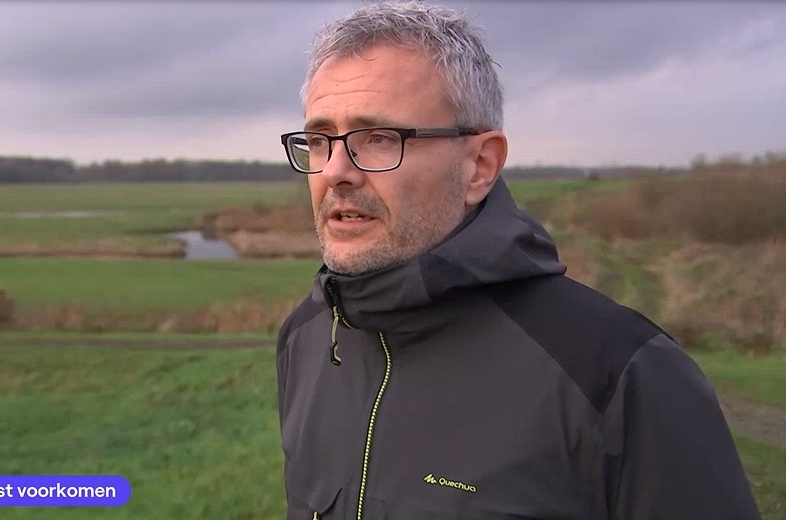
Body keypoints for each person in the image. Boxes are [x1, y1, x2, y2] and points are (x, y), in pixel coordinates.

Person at [275, 2, 761, 519]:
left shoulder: (617, 373)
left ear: (480, 165)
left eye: (379, 139)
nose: (335, 172)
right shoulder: (307, 338)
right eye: (321, 140)